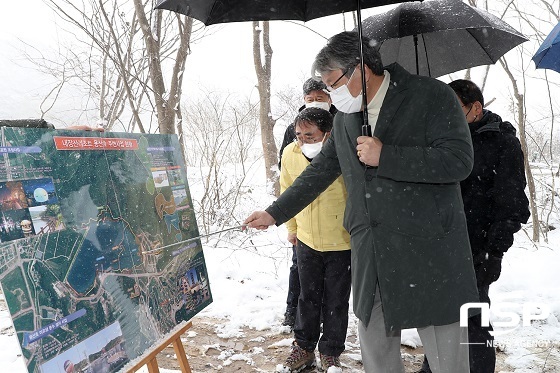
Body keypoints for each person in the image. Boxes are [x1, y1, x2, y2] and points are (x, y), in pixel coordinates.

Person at [245, 31, 479, 373]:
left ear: (361, 69)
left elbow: (459, 161)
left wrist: (388, 155)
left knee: (447, 355)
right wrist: (274, 212)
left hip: (428, 247)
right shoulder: (345, 117)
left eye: (333, 82)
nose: (330, 92)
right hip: (371, 248)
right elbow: (321, 171)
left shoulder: (430, 96)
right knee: (376, 349)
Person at [419, 80, 531, 373]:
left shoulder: (502, 142)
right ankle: (433, 366)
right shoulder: (441, 142)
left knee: (475, 321)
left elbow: (512, 204)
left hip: (476, 246)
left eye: (453, 107)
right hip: (437, 243)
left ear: (476, 109)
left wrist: (494, 252)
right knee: (438, 315)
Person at [277, 107, 351, 372]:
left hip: (342, 241)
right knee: (307, 296)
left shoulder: (344, 152)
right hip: (307, 238)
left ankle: (331, 351)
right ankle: (303, 347)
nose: (303, 141)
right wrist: (292, 227)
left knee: (336, 300)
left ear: (327, 133)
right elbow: (287, 189)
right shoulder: (290, 153)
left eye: (310, 136)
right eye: (299, 135)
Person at [278, 78, 337, 330]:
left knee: (334, 282)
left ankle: (326, 323)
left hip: (335, 225)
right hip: (304, 219)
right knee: (300, 271)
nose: (315, 102)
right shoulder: (294, 129)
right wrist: (290, 223)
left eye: (320, 97)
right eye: (310, 98)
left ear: (330, 96)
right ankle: (293, 312)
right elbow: (287, 173)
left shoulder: (342, 123)